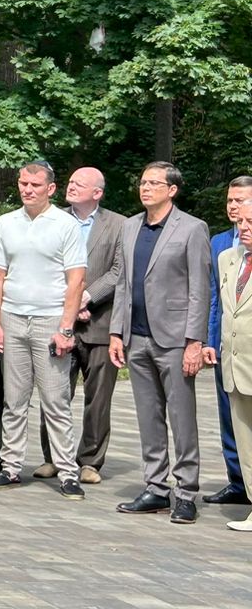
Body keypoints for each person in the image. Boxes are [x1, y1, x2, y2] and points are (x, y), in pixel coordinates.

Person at [110, 162, 211, 524]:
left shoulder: (193, 228)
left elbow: (200, 289)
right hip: (136, 337)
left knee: (182, 419)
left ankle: (186, 492)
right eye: (143, 182)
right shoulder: (130, 226)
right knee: (148, 418)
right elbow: (123, 282)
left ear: (172, 190)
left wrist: (194, 342)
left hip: (174, 338)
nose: (146, 188)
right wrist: (116, 333)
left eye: (154, 183)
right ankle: (156, 487)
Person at [0, 162, 86, 499]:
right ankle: (11, 466)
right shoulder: (6, 223)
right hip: (12, 317)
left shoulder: (66, 225)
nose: (28, 189)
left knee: (55, 400)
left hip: (49, 319)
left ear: (51, 189)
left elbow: (76, 280)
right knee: (14, 399)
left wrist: (66, 328)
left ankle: (68, 471)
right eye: (23, 183)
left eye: (35, 184)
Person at [34, 166, 122, 484]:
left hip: (100, 322)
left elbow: (118, 270)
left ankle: (90, 461)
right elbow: (42, 264)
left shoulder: (118, 225)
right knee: (54, 390)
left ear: (97, 192)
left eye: (79, 184)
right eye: (69, 182)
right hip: (59, 320)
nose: (70, 187)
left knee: (98, 397)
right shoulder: (51, 220)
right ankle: (53, 457)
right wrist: (68, 303)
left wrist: (86, 297)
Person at [203, 177, 252, 507]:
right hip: (228, 350)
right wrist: (208, 340)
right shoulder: (223, 247)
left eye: (242, 202)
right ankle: (240, 483)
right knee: (234, 422)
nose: (235, 210)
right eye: (231, 202)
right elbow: (214, 299)